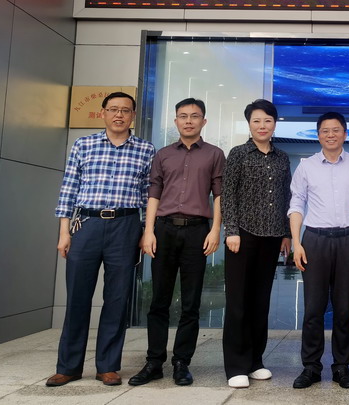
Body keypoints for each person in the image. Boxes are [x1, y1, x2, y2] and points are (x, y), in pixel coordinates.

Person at [47, 92, 155, 387]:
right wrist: (64, 233)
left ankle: (107, 366)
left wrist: (145, 231)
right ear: (103, 113)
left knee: (117, 298)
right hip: (86, 225)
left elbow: (149, 195)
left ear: (133, 116)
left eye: (125, 110)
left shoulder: (146, 149)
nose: (119, 115)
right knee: (77, 297)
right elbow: (68, 189)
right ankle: (68, 366)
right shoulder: (84, 144)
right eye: (114, 109)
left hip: (126, 225)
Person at [127, 98, 224, 387]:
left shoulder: (215, 154)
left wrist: (215, 230)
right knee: (159, 299)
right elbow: (154, 193)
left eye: (194, 116)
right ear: (176, 121)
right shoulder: (163, 155)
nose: (188, 121)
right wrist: (148, 231)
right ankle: (154, 362)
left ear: (204, 121)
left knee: (191, 302)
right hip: (164, 230)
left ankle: (182, 362)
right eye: (183, 116)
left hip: (197, 231)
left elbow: (219, 194)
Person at [288, 111, 349, 390]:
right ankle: (311, 367)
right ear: (318, 135)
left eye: (336, 130)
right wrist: (297, 242)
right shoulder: (306, 166)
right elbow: (296, 204)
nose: (330, 135)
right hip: (315, 239)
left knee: (343, 307)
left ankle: (342, 367)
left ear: (345, 134)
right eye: (325, 130)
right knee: (313, 307)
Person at [221, 99, 292, 388]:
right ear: (249, 125)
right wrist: (231, 230)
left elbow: (286, 197)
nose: (262, 126)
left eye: (267, 121)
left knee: (260, 301)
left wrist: (287, 233)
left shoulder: (282, 157)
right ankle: (235, 366)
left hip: (272, 237)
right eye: (256, 121)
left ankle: (255, 362)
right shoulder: (238, 154)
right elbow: (228, 194)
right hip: (243, 235)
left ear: (274, 124)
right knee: (238, 301)